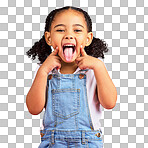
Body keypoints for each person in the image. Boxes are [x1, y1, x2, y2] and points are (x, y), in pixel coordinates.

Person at [26, 6, 117, 148]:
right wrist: (43, 71)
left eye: (77, 30)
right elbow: (33, 108)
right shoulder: (44, 70)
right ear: (48, 38)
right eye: (60, 30)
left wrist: (99, 67)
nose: (68, 35)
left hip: (88, 142)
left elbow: (110, 103)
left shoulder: (94, 70)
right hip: (53, 142)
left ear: (88, 38)